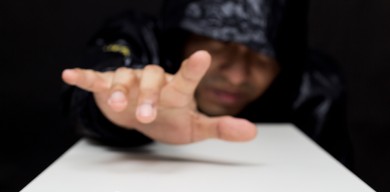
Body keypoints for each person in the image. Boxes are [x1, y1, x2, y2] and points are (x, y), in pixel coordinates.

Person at [62, 0, 349, 164]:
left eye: (262, 57)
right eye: (220, 44)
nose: (237, 76)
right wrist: (113, 107)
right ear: (184, 37)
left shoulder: (314, 88)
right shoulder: (142, 39)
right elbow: (106, 68)